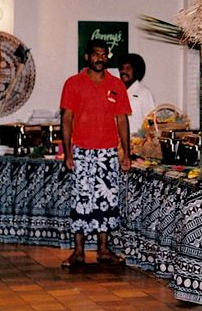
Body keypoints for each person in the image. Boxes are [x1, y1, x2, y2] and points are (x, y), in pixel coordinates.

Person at [59, 39, 131, 268]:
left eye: (103, 55)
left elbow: (122, 120)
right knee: (81, 201)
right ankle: (78, 252)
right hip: (81, 152)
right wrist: (68, 153)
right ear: (87, 57)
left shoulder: (116, 84)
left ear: (107, 57)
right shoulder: (73, 83)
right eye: (95, 54)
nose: (100, 58)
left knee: (106, 201)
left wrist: (126, 153)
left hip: (108, 153)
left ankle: (103, 250)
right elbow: (66, 119)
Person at [118, 53, 156, 135]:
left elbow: (151, 122)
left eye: (128, 68)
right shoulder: (116, 91)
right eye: (122, 68)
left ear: (135, 70)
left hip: (137, 143)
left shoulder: (144, 93)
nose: (124, 71)